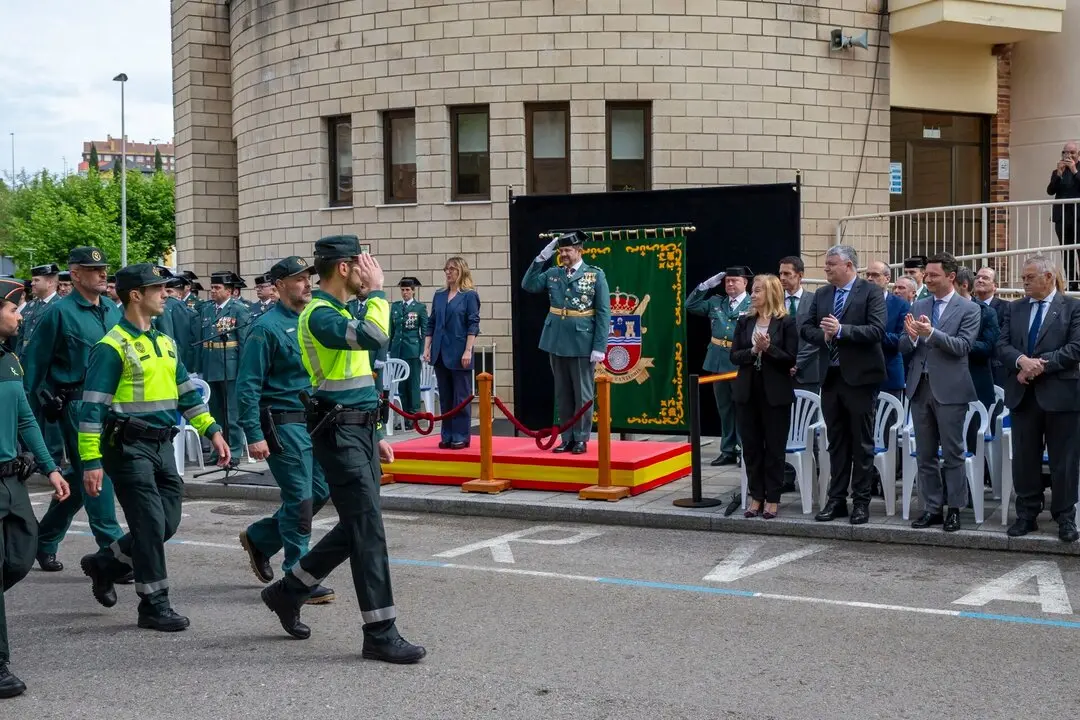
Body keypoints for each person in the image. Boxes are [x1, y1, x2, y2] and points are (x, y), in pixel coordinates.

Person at [260, 235, 426, 664]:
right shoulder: (320, 315)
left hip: (358, 432)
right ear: (346, 268)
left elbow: (356, 379)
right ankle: (380, 632)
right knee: (368, 530)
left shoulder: (339, 310)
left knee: (355, 528)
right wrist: (380, 292)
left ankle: (289, 589)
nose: (371, 268)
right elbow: (375, 337)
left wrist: (374, 432)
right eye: (363, 263)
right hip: (337, 436)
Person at [77, 264, 230, 630]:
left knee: (166, 524)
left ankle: (105, 563)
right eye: (158, 288)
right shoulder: (112, 346)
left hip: (163, 446)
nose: (166, 293)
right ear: (135, 295)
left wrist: (212, 431)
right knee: (148, 525)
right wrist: (90, 460)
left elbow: (187, 393)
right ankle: (153, 604)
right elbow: (92, 408)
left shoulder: (165, 341)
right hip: (128, 449)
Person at [236, 257, 333, 604]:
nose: (307, 284)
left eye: (308, 278)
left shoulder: (312, 320)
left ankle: (261, 538)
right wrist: (253, 433)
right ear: (278, 286)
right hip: (282, 422)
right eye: (297, 280)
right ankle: (298, 576)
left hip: (314, 422)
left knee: (320, 492)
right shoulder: (266, 328)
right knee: (300, 499)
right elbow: (247, 386)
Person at [23, 247, 125, 573]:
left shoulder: (112, 309)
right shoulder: (59, 313)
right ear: (76, 274)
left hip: (113, 403)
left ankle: (43, 539)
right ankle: (114, 554)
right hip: (77, 404)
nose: (102, 274)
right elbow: (33, 368)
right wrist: (35, 410)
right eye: (93, 269)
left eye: (104, 268)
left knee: (81, 478)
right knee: (98, 476)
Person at [0, 296, 69, 699]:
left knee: (21, 558)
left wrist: (51, 467)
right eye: (12, 309)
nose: (20, 315)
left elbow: (25, 417)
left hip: (12, 481)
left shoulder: (10, 359)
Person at [997, 254, 1080, 542]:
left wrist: (1037, 365)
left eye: (1029, 277)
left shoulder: (1072, 308)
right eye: (1023, 278)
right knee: (1025, 459)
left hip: (1062, 396)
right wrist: (1021, 361)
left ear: (1048, 277)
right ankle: (1027, 514)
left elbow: (1075, 348)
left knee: (1064, 461)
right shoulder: (1014, 308)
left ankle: (1065, 516)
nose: (1024, 283)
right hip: (1024, 396)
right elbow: (1001, 344)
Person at [800, 245, 886, 525]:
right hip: (832, 378)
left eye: (831, 264)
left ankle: (861, 501)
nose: (825, 268)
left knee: (861, 443)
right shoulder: (823, 294)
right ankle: (836, 499)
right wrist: (824, 337)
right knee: (836, 442)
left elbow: (877, 330)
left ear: (848, 265)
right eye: (826, 264)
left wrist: (842, 331)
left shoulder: (870, 291)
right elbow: (806, 328)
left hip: (860, 379)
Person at [900, 253, 981, 532]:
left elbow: (962, 346)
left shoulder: (969, 309)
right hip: (920, 387)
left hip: (950, 389)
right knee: (924, 454)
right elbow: (904, 346)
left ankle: (955, 508)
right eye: (926, 274)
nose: (927, 279)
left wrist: (931, 333)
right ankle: (931, 508)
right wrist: (911, 336)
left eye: (934, 275)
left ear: (951, 277)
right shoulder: (919, 302)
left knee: (953, 452)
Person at [521, 232, 609, 454]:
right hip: (556, 339)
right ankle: (566, 436)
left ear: (579, 251)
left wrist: (599, 346)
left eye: (567, 251)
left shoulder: (595, 275)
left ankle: (581, 437)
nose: (564, 255)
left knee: (582, 392)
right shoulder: (553, 274)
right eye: (560, 251)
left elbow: (603, 313)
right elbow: (528, 284)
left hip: (582, 341)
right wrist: (542, 256)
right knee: (563, 392)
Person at [731, 274, 798, 520]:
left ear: (770, 293)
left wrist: (768, 349)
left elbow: (790, 357)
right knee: (751, 448)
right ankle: (756, 496)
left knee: (774, 448)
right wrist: (753, 350)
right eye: (753, 291)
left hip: (775, 393)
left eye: (758, 290)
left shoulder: (786, 323)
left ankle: (773, 498)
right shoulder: (745, 321)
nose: (753, 294)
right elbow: (734, 356)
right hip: (747, 391)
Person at [686, 266, 752, 466]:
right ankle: (727, 450)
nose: (730, 284)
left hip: (741, 362)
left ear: (745, 283)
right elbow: (690, 305)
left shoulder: (752, 303)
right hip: (718, 361)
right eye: (727, 281)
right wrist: (705, 286)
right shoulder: (717, 302)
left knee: (743, 407)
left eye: (735, 281)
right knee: (724, 408)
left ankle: (744, 449)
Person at [426, 256, 481, 450]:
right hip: (440, 351)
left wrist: (468, 350)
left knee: (461, 396)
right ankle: (447, 434)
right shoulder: (439, 295)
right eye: (446, 269)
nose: (448, 273)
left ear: (461, 272)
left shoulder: (469, 296)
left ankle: (461, 435)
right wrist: (427, 348)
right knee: (446, 396)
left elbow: (473, 324)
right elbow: (431, 322)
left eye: (452, 269)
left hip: (459, 352)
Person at [195, 270, 250, 463]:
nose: (213, 291)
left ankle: (234, 450)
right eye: (212, 287)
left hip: (231, 367)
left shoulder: (239, 309)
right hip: (211, 365)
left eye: (217, 288)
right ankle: (218, 450)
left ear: (229, 291)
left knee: (232, 412)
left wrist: (244, 369)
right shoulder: (208, 309)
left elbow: (244, 342)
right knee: (216, 411)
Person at [17, 263, 65, 467]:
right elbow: (22, 338)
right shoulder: (31, 307)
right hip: (30, 368)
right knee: (32, 414)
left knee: (50, 418)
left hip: (49, 371)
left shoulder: (60, 306)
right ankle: (34, 456)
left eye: (37, 280)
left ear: (51, 282)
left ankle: (53, 459)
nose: (33, 284)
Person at [955, 266, 999, 414]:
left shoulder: (986, 312)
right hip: (944, 384)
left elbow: (988, 346)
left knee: (974, 434)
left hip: (975, 382)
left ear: (963, 285)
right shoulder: (935, 309)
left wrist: (955, 343)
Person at [779, 256, 827, 394]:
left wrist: (797, 363)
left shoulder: (815, 300)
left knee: (807, 414)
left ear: (800, 275)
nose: (782, 278)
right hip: (780, 373)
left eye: (787, 273)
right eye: (780, 273)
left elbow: (819, 336)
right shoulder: (775, 302)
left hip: (809, 372)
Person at [865, 260, 909, 399]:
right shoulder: (857, 302)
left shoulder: (901, 305)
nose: (870, 279)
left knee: (889, 420)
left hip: (889, 375)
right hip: (862, 376)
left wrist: (870, 333)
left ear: (887, 278)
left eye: (875, 275)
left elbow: (902, 339)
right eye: (868, 275)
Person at [389, 276, 428, 430]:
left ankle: (414, 416)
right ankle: (405, 416)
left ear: (413, 291)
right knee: (401, 386)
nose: (405, 293)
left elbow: (424, 330)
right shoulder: (396, 306)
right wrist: (390, 349)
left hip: (412, 350)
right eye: (403, 290)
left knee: (413, 384)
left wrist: (423, 350)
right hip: (398, 350)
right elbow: (392, 329)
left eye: (407, 290)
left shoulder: (419, 308)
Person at [1048, 142, 1080, 290]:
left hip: (1078, 217)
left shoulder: (1077, 170)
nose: (1068, 156)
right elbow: (1050, 191)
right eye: (1065, 153)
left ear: (1078, 155)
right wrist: (1059, 175)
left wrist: (1074, 171)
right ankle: (1073, 283)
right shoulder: (1057, 171)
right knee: (1066, 251)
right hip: (1062, 217)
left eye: (1072, 153)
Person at [154, 273, 195, 372]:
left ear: (180, 294)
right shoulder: (159, 304)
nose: (166, 295)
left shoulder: (176, 305)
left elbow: (181, 340)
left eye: (169, 291)